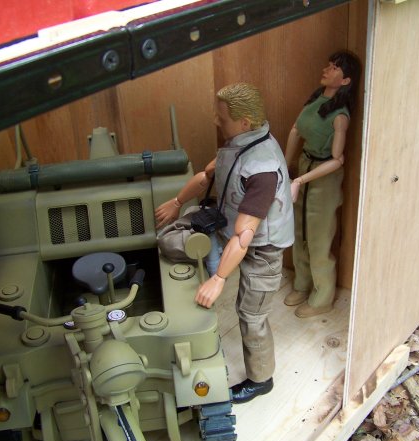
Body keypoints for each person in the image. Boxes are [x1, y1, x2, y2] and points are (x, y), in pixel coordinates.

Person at [155, 82, 294, 404]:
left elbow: (246, 235)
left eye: (222, 117)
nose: (216, 121)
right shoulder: (238, 144)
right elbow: (207, 176)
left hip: (261, 247)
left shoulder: (262, 168)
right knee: (170, 239)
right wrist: (177, 202)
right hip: (228, 225)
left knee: (251, 314)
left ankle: (261, 380)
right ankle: (211, 259)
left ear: (244, 122)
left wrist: (219, 279)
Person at [283, 51, 362, 318]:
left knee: (318, 239)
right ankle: (302, 283)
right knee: (299, 232)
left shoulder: (340, 116)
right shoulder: (316, 99)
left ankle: (322, 297)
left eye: (335, 68)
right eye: (329, 64)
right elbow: (296, 130)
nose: (327, 69)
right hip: (304, 167)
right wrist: (286, 165)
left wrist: (301, 179)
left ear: (346, 80)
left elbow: (338, 160)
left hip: (323, 178)